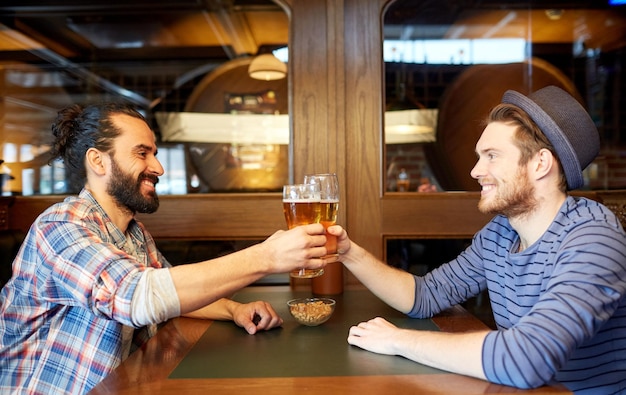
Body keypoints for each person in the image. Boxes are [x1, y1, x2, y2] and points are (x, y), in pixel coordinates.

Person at [0, 102, 335, 394]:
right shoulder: (61, 227)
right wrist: (266, 256)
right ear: (98, 161)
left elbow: (170, 289)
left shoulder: (133, 233)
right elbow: (139, 296)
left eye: (155, 154)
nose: (158, 167)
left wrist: (233, 310)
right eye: (142, 153)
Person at [330, 86, 626, 393]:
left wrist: (397, 339)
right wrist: (349, 252)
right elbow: (426, 295)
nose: (475, 171)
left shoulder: (594, 238)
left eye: (492, 156)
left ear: (540, 164)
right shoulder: (500, 234)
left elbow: (527, 359)